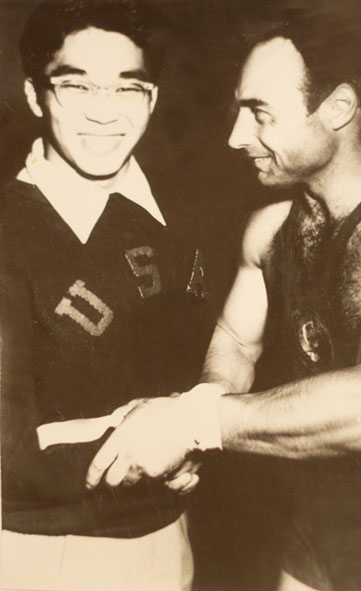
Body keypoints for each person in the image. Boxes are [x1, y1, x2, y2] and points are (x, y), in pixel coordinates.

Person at [86, 13, 361, 591]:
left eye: (260, 113)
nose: (235, 136)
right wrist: (202, 409)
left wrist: (191, 424)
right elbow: (237, 342)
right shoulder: (271, 227)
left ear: (338, 108)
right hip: (320, 510)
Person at [0, 1, 211, 590]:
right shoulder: (10, 231)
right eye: (75, 86)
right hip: (43, 551)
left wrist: (194, 440)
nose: (103, 111)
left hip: (171, 535)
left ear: (153, 97)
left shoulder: (184, 209)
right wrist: (163, 442)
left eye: (127, 87)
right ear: (35, 95)